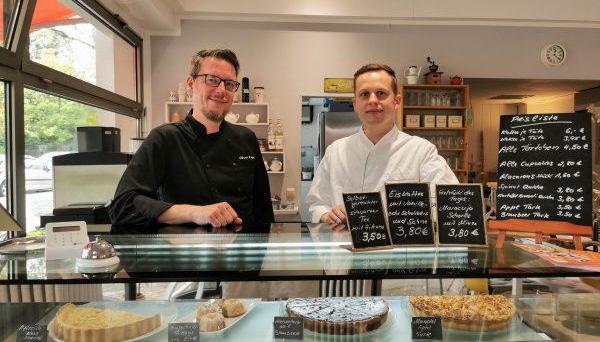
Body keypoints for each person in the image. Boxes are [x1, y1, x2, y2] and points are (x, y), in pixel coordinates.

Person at [110, 49, 274, 228]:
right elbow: (122, 206)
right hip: (187, 253)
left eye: (229, 84)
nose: (221, 90)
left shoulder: (246, 138)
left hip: (243, 252)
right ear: (190, 84)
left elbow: (264, 211)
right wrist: (195, 212)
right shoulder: (165, 138)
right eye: (212, 80)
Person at [307, 63, 458, 225]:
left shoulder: (421, 152)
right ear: (356, 104)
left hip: (400, 248)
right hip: (343, 247)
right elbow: (316, 204)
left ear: (397, 101)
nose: (373, 100)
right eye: (364, 94)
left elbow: (449, 204)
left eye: (381, 93)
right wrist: (327, 215)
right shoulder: (335, 151)